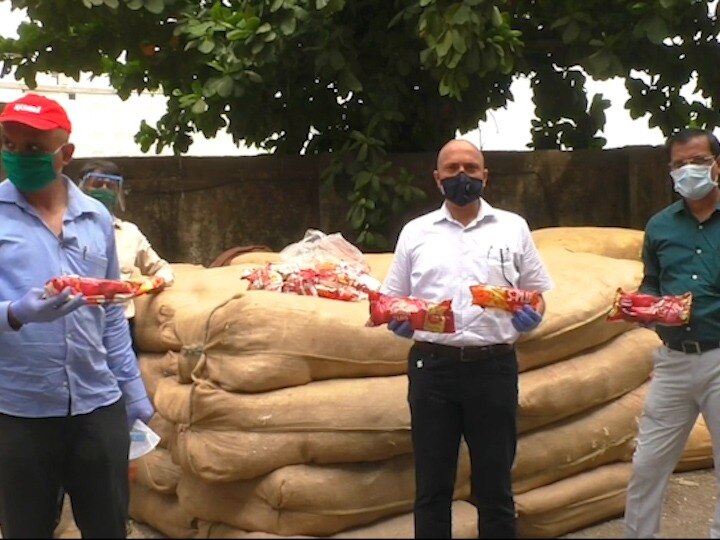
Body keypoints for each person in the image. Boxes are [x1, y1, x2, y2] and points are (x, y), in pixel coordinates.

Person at [381, 139, 553, 538]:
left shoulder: (513, 228)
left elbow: (537, 293)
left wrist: (533, 316)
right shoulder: (415, 233)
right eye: (453, 169)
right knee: (432, 486)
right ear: (437, 178)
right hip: (432, 369)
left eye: (471, 168)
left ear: (485, 176)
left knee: (495, 487)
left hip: (493, 367)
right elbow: (394, 298)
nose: (462, 176)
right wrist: (398, 319)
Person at [0, 93, 154, 538]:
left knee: (108, 527)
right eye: (9, 145)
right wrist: (15, 313)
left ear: (64, 155)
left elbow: (110, 315)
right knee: (26, 529)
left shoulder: (96, 219)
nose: (18, 156)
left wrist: (132, 388)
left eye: (33, 149)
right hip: (21, 410)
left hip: (96, 405)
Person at [624, 127, 720, 538]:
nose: (689, 170)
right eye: (680, 164)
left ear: (718, 164)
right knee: (647, 465)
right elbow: (652, 282)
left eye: (698, 161)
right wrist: (645, 306)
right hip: (674, 361)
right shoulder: (660, 226)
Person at [78, 160, 174, 353]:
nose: (104, 190)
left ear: (119, 192)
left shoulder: (130, 233)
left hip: (120, 325)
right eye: (97, 184)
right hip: (79, 325)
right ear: (82, 188)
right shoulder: (67, 229)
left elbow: (160, 267)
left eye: (110, 186)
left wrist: (153, 283)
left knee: (123, 378)